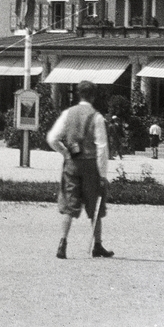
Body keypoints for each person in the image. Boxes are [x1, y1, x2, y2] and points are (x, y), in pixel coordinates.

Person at [48, 81, 113, 259]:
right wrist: (103, 175)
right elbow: (102, 147)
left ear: (79, 94)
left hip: (72, 164)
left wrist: (66, 153)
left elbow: (53, 138)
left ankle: (62, 242)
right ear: (93, 96)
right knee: (95, 205)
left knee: (70, 203)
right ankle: (97, 245)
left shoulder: (67, 113)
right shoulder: (97, 117)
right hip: (90, 164)